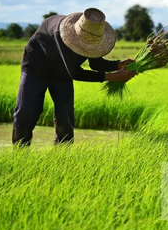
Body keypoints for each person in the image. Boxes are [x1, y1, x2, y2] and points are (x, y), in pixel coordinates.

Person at [12, 8, 136, 146]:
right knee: (26, 112)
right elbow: (74, 73)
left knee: (65, 118)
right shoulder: (60, 33)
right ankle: (20, 152)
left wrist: (117, 65)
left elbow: (95, 63)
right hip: (36, 68)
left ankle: (63, 157)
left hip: (62, 73)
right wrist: (111, 77)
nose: (87, 46)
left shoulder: (92, 35)